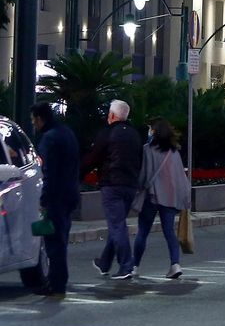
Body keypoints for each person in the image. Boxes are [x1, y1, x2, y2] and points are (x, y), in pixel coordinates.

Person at [82, 99, 143, 281]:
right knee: (118, 224)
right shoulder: (134, 134)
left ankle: (126, 266)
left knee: (117, 225)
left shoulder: (108, 133)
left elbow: (93, 157)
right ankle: (105, 262)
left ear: (112, 115)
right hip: (130, 185)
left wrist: (77, 174)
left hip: (112, 184)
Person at [31, 104, 79, 298]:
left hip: (56, 197)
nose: (33, 123)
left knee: (54, 243)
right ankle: (57, 281)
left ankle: (56, 284)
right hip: (70, 194)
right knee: (61, 240)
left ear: (39, 118)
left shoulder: (49, 139)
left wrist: (43, 199)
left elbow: (48, 172)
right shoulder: (67, 133)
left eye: (33, 119)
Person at [132, 118, 190, 280]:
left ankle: (135, 266)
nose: (149, 131)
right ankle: (175, 264)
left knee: (143, 231)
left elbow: (144, 175)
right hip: (171, 197)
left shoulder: (147, 150)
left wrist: (138, 188)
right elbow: (180, 177)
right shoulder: (174, 152)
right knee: (169, 231)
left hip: (152, 196)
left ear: (154, 132)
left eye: (150, 129)